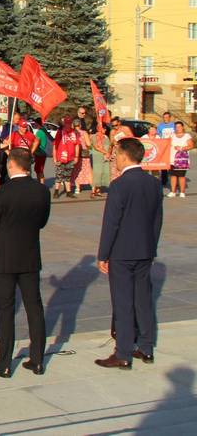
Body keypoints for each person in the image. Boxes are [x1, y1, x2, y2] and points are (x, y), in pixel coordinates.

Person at [0, 148, 50, 377]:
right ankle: (37, 359)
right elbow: (42, 222)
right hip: (29, 254)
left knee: (5, 309)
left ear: (12, 165)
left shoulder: (3, 193)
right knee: (34, 307)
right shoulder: (42, 191)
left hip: (5, 257)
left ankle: (4, 362)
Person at [96, 137, 162, 369]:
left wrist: (103, 254)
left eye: (116, 156)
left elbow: (111, 222)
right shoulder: (152, 183)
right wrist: (151, 246)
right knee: (143, 299)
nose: (115, 160)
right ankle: (146, 346)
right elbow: (157, 219)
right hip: (145, 250)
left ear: (124, 156)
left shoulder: (120, 185)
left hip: (122, 252)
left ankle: (123, 351)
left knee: (123, 301)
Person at [53, 117, 79, 198]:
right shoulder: (60, 132)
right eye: (66, 123)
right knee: (59, 175)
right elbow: (55, 145)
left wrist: (76, 156)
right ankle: (56, 191)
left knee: (68, 175)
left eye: (69, 123)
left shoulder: (74, 132)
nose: (68, 125)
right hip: (61, 157)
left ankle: (68, 191)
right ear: (64, 123)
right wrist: (54, 158)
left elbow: (77, 145)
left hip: (70, 157)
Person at [167, 121, 193, 198]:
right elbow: (166, 144)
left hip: (182, 160)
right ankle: (173, 192)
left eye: (179, 127)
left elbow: (191, 145)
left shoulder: (187, 136)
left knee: (181, 176)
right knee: (173, 175)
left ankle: (182, 192)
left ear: (182, 127)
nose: (178, 128)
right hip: (172, 159)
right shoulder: (172, 136)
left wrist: (182, 148)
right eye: (176, 127)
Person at [91, 123, 113, 198]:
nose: (105, 130)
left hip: (105, 157)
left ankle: (98, 190)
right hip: (97, 157)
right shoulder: (94, 136)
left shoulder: (106, 137)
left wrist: (108, 153)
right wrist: (106, 152)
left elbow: (110, 146)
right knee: (97, 173)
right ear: (98, 128)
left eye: (105, 128)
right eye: (103, 128)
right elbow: (96, 147)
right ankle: (93, 191)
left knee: (103, 172)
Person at [72, 120, 93, 195]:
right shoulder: (84, 133)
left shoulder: (72, 133)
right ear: (80, 125)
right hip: (84, 155)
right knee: (87, 171)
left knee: (76, 171)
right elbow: (88, 144)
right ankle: (93, 187)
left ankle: (77, 188)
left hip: (74, 155)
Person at [32, 119, 52, 183]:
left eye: (35, 123)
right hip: (42, 153)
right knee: (39, 169)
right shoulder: (43, 130)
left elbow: (37, 142)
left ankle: (41, 184)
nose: (34, 124)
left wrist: (32, 151)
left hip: (40, 152)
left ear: (37, 123)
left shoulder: (39, 132)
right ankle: (40, 184)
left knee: (39, 170)